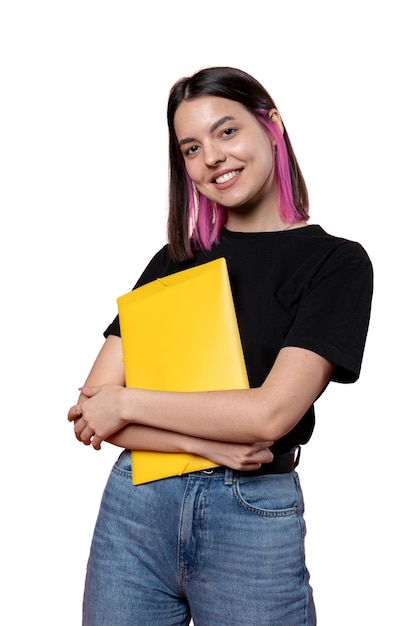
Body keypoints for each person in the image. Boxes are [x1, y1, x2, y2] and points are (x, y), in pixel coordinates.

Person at [68, 66, 373, 625]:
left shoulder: (336, 265)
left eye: (226, 131)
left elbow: (268, 415)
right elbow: (92, 410)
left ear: (271, 125)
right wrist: (210, 446)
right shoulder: (174, 262)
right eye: (190, 146)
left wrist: (129, 403)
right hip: (136, 512)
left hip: (250, 520)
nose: (211, 157)